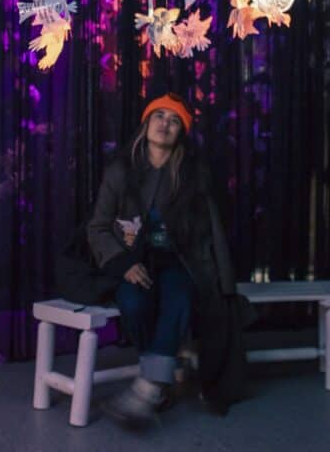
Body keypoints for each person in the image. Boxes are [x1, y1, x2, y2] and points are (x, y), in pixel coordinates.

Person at [87, 93, 246, 423]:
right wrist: (123, 263)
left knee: (178, 295)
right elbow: (98, 226)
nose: (165, 124)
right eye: (159, 116)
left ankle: (149, 387)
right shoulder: (121, 170)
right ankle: (161, 371)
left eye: (174, 120)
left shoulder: (193, 175)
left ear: (181, 132)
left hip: (180, 261)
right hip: (134, 262)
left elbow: (212, 230)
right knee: (133, 303)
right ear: (146, 124)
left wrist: (221, 279)